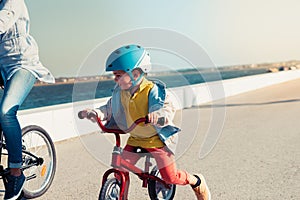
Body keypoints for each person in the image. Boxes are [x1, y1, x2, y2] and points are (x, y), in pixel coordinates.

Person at [82, 44, 211, 200]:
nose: (115, 80)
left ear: (135, 74)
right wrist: (95, 113)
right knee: (121, 167)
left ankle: (196, 181)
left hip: (157, 140)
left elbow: (167, 107)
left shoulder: (153, 91)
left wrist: (158, 114)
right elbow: (109, 108)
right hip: (136, 138)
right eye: (114, 75)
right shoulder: (120, 93)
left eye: (118, 75)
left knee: (170, 177)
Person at [0, 0, 55, 199]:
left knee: (6, 112)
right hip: (2, 67)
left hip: (22, 64)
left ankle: (16, 173)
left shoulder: (12, 1)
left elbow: (2, 22)